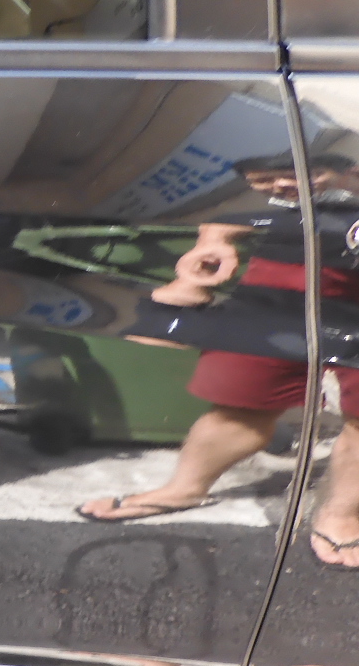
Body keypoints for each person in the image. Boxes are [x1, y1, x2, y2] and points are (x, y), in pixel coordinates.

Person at [79, 153, 359, 567]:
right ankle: (184, 489)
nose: (281, 186)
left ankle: (341, 514)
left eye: (297, 174)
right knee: (237, 408)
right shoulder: (279, 210)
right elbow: (226, 221)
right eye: (265, 180)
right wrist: (214, 244)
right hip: (268, 312)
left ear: (351, 169)